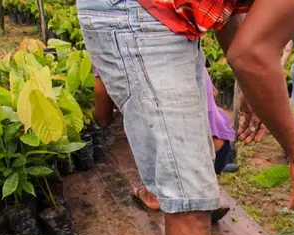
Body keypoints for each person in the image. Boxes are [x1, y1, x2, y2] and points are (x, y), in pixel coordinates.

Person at [77, 0, 294, 235]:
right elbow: (252, 54)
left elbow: (228, 14)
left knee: (193, 193)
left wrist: (249, 84)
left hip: (161, 16)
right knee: (189, 202)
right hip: (143, 14)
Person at [93, 67, 238, 212]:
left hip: (178, 157)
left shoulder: (109, 49)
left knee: (150, 137)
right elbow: (213, 91)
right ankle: (203, 191)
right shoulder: (186, 46)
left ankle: (154, 195)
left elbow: (103, 119)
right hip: (219, 145)